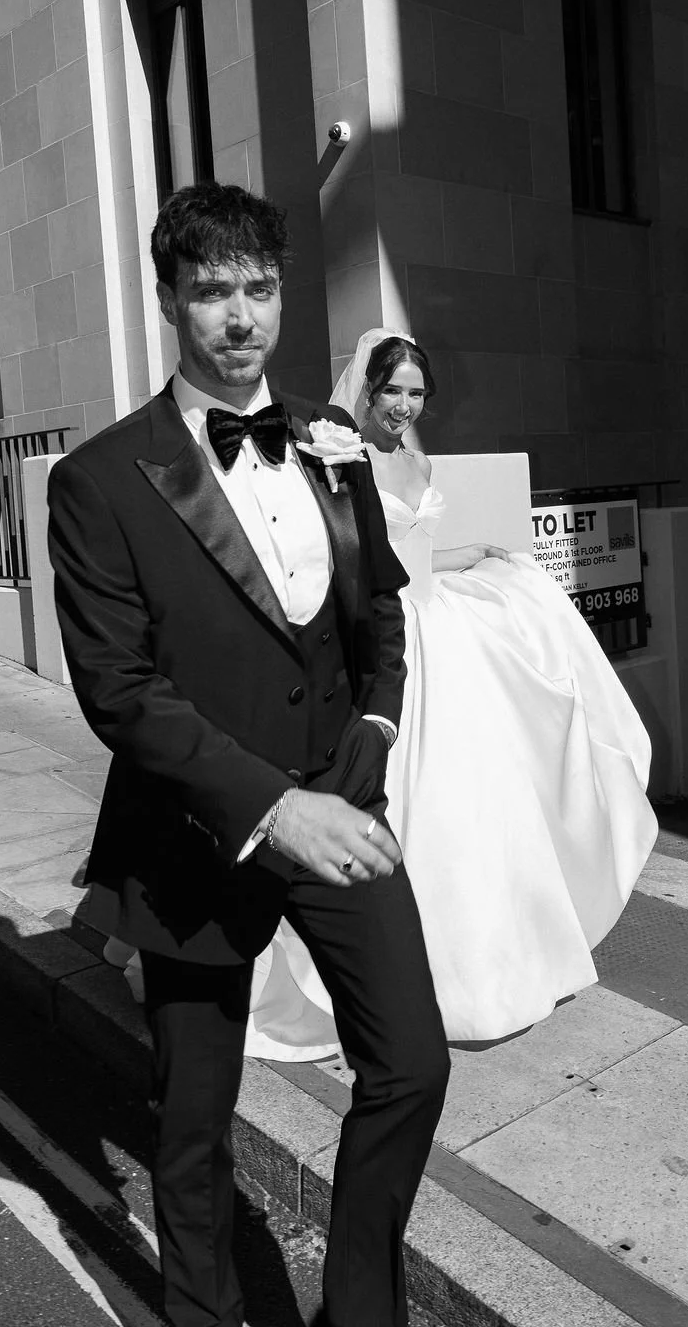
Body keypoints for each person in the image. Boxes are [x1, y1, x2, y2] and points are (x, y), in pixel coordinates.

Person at [48, 190, 449, 1327]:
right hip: (193, 836)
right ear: (170, 299)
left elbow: (383, 619)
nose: (239, 317)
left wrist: (370, 736)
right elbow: (120, 693)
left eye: (258, 289)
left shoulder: (331, 438)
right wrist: (276, 809)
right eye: (212, 290)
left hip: (341, 803)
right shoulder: (99, 479)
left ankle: (360, 1313)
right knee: (192, 1123)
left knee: (412, 1065)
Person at [245, 328, 658, 1057]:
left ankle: (500, 959)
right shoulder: (342, 456)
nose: (403, 405)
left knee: (481, 800)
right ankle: (377, 977)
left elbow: (416, 549)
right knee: (406, 793)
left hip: (440, 618)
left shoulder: (417, 458)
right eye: (392, 390)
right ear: (365, 391)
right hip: (389, 632)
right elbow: (346, 556)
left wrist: (480, 554)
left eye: (415, 392)